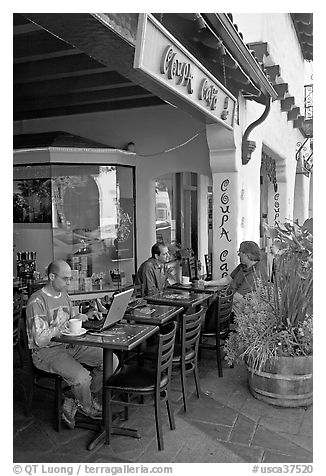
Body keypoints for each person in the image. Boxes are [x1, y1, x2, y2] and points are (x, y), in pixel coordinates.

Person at [26, 259, 119, 429]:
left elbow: (69, 320)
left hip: (69, 344)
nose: (69, 282)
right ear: (52, 276)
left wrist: (86, 315)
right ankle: (86, 406)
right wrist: (64, 326)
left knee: (111, 361)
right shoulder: (36, 301)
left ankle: (74, 398)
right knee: (81, 377)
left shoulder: (63, 295)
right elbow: (39, 338)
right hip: (46, 351)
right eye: (66, 278)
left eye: (70, 278)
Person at [203, 241, 267, 328]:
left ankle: (212, 330)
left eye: (239, 253)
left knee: (212, 307)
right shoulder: (243, 266)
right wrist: (207, 283)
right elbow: (227, 279)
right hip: (229, 300)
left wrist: (221, 297)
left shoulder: (255, 273)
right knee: (212, 306)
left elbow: (237, 297)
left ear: (246, 255)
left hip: (237, 308)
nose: (238, 255)